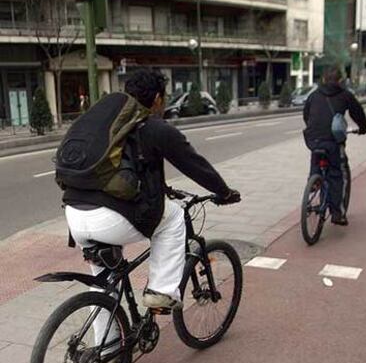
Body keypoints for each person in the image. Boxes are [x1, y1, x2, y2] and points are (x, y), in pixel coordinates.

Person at [63, 68, 240, 310]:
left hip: (74, 215)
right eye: (164, 99)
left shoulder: (109, 125)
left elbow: (128, 167)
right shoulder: (153, 127)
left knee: (104, 283)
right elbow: (195, 166)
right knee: (174, 217)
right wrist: (225, 192)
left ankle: (108, 347)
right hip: (109, 218)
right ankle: (161, 291)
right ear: (158, 98)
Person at [303, 66, 366, 226]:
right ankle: (338, 213)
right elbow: (357, 112)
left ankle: (313, 182)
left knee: (316, 164)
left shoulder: (313, 95)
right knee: (339, 174)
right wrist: (363, 128)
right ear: (340, 80)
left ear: (323, 79)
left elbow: (306, 115)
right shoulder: (345, 95)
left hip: (313, 140)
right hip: (333, 142)